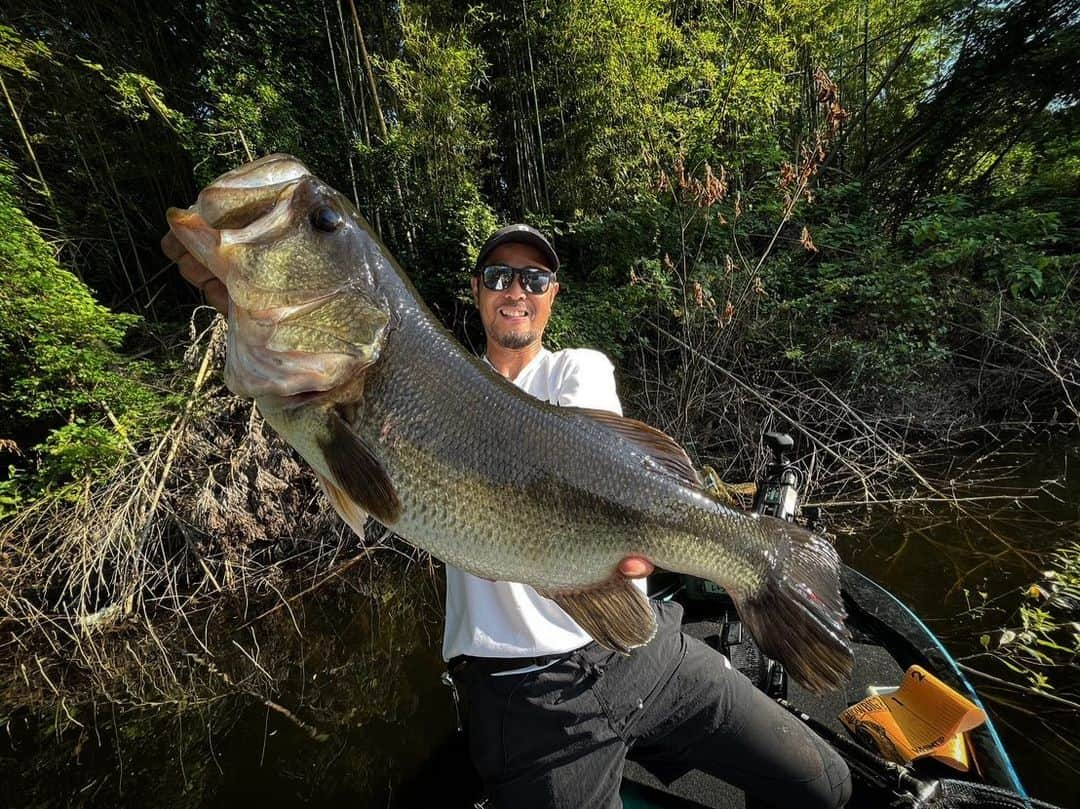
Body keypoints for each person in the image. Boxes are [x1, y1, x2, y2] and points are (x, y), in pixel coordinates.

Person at [163, 222, 851, 809]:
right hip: (530, 707)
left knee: (828, 785)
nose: (516, 290)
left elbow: (588, 453)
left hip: (646, 657)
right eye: (500, 275)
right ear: (477, 292)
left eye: (534, 279)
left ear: (552, 298)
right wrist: (259, 316)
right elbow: (341, 438)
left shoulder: (576, 372)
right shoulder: (426, 390)